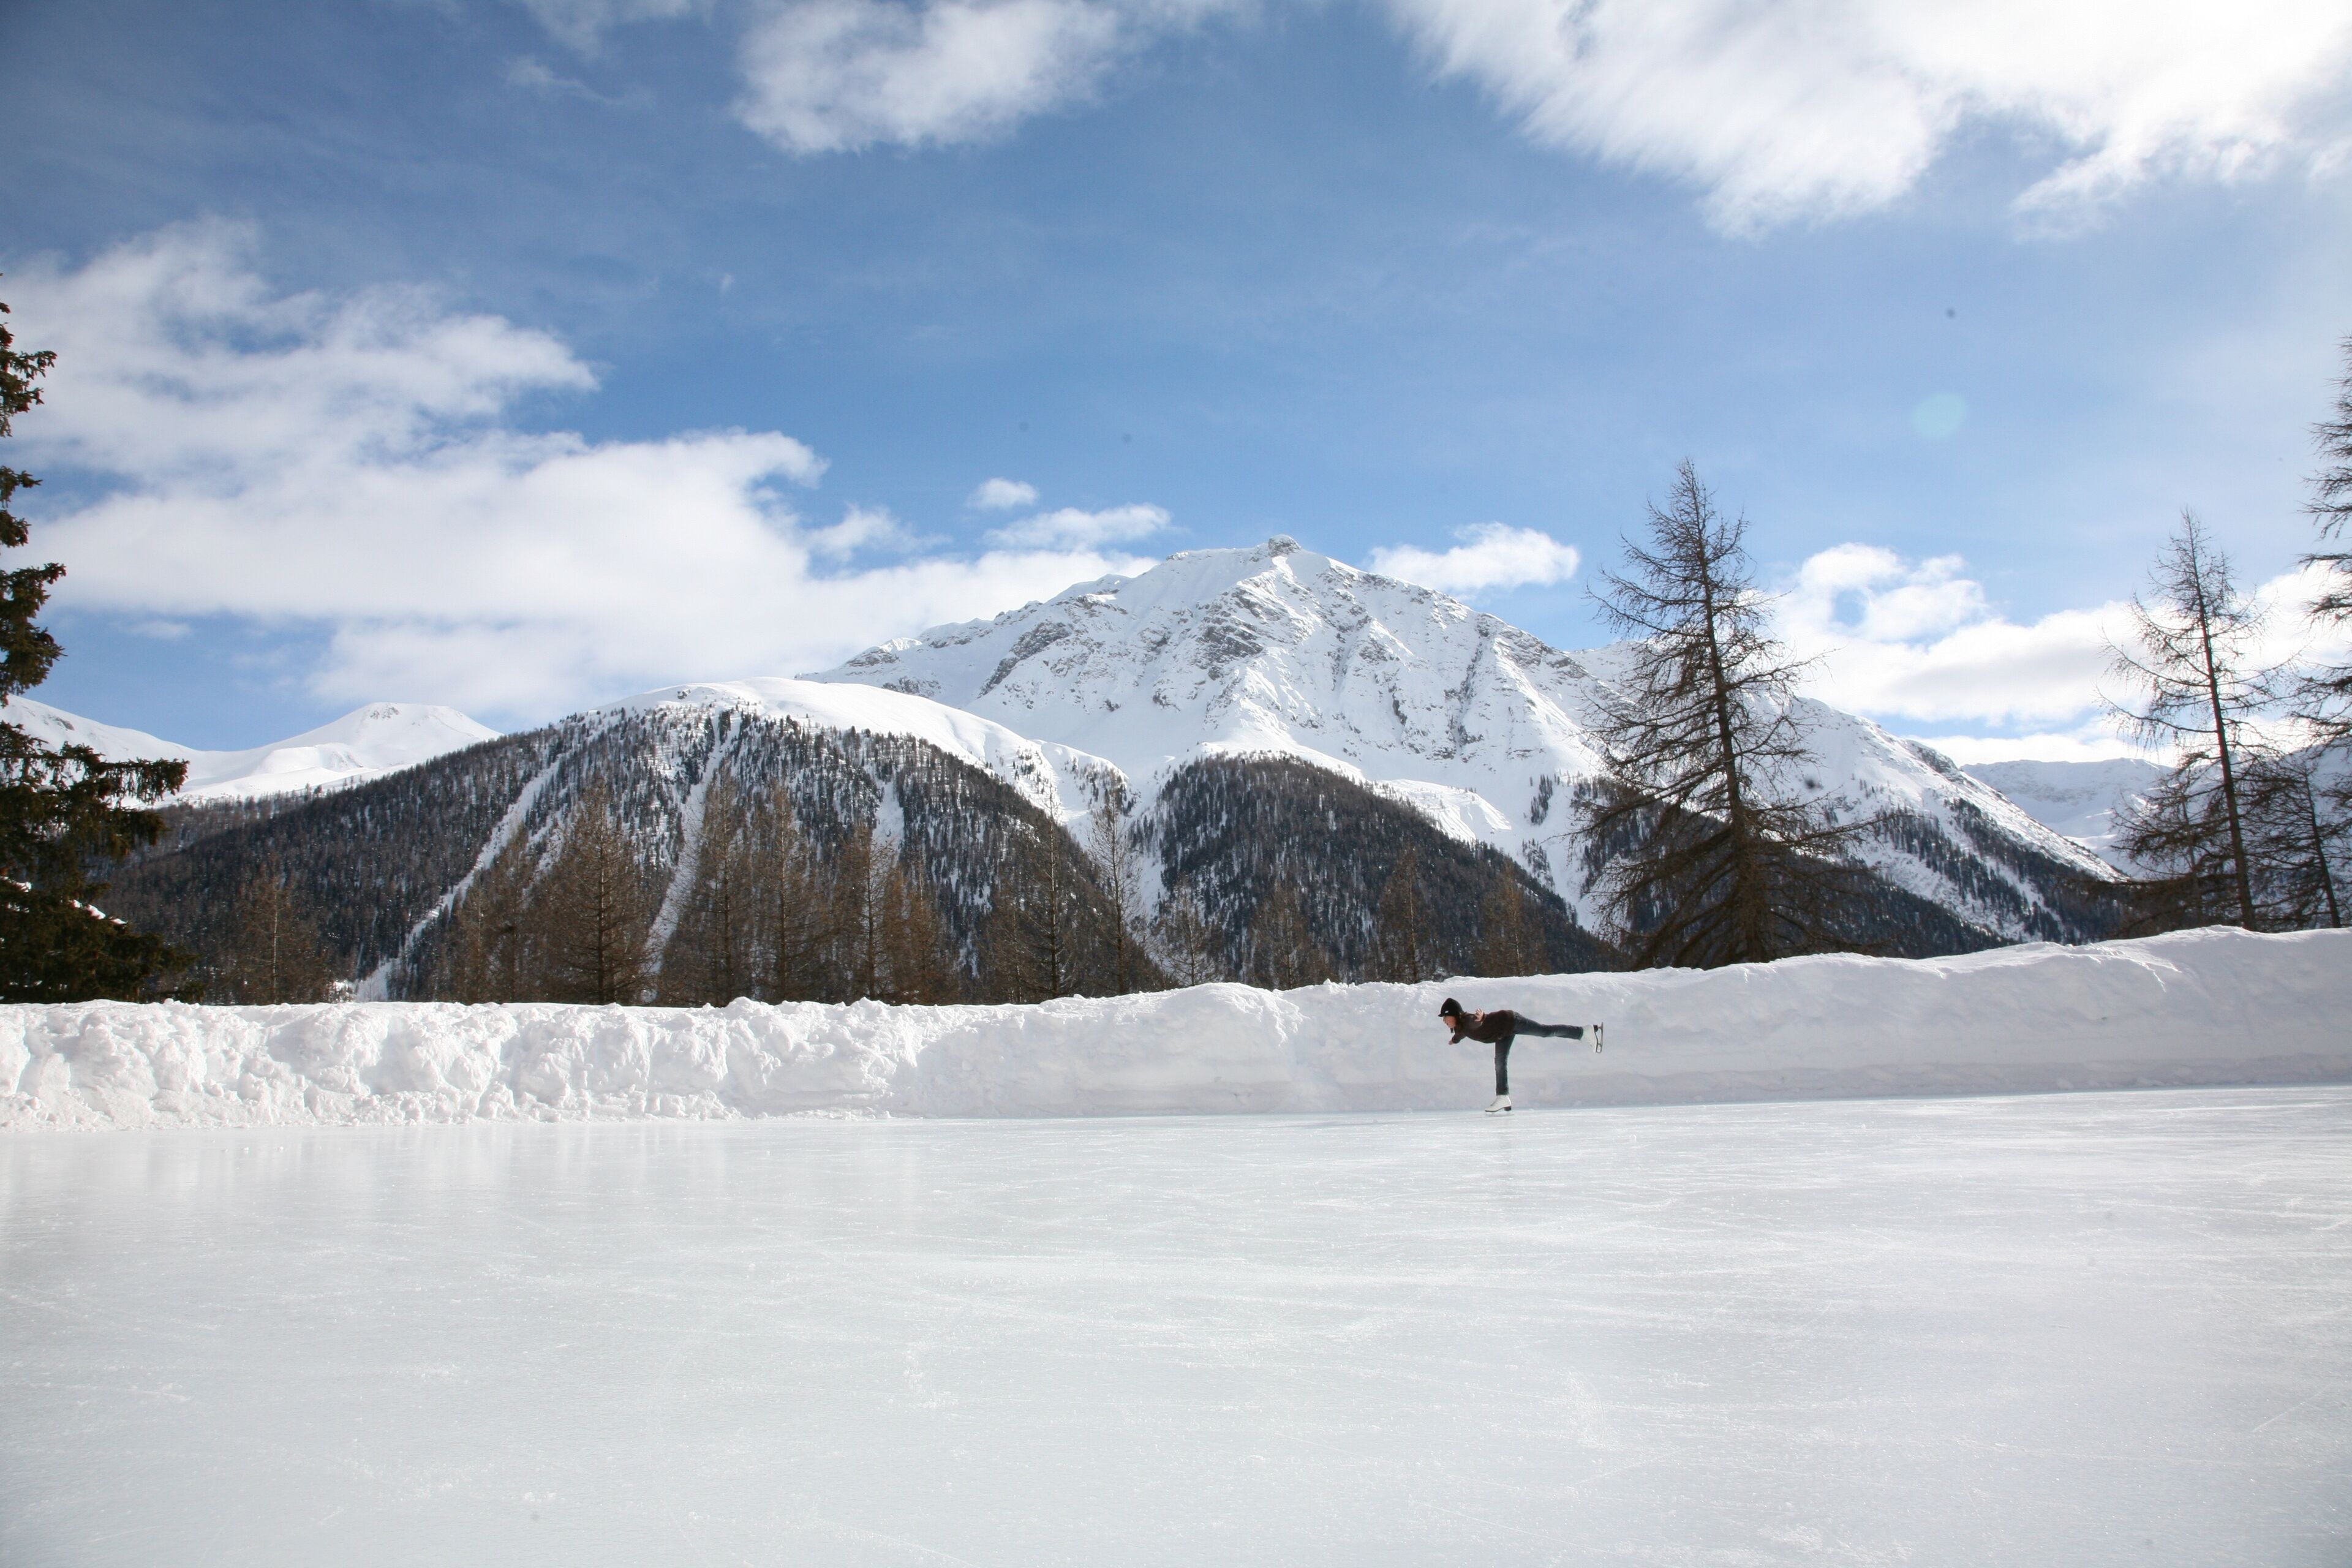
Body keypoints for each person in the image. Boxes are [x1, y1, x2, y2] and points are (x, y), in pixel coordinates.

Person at [1439, 998, 1602, 1114]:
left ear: (1455, 1015)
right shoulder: (1461, 1028)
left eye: (1446, 1017)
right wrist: (1454, 1041)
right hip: (1502, 1034)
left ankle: (1584, 1032)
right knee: (1500, 1063)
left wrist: (1482, 1019)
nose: (1444, 1021)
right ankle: (1503, 1097)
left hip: (1511, 1022)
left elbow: (1475, 1022)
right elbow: (1461, 1034)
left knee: (1545, 1031)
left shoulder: (1467, 1021)